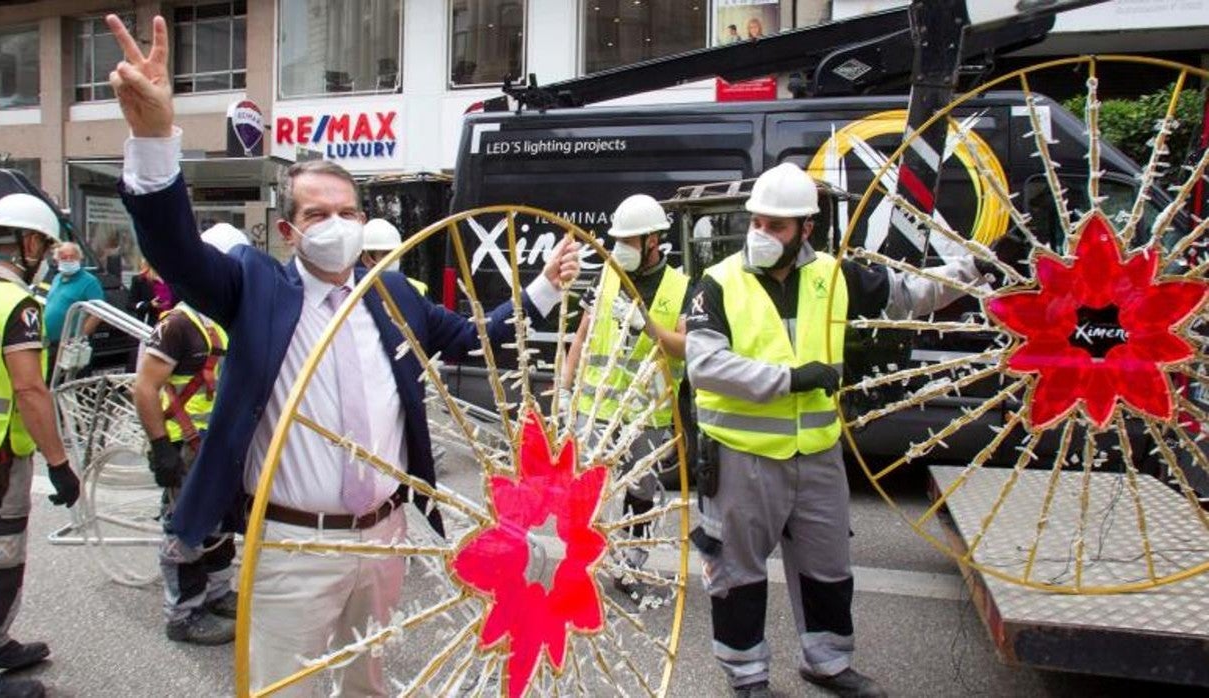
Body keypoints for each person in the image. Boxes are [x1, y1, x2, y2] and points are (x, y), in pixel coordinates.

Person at [105, 14, 580, 695]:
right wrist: (154, 139)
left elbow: (473, 335)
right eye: (317, 214)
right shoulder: (255, 287)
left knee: (368, 682)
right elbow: (177, 252)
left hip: (384, 539)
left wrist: (539, 288)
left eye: (347, 212)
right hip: (292, 546)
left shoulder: (391, 292)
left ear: (365, 221)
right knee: (284, 685)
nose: (335, 225)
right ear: (289, 230)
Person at [685, 162, 987, 698]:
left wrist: (970, 270)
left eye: (775, 226)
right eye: (756, 222)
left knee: (827, 568)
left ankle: (826, 662)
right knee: (738, 576)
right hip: (741, 457)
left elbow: (910, 295)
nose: (761, 234)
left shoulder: (833, 274)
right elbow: (705, 365)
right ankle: (746, 674)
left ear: (807, 227)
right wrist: (790, 379)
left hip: (818, 455)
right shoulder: (719, 282)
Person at [0, 194, 82, 698]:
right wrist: (59, 463)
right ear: (30, 243)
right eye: (47, 247)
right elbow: (30, 391)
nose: (50, 258)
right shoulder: (19, 306)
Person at [563, 194, 690, 603]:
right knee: (585, 491)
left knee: (641, 493)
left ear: (653, 240)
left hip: (646, 416)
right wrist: (564, 392)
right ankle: (578, 565)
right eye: (617, 239)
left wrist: (645, 324)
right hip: (594, 408)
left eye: (629, 240)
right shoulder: (606, 279)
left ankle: (629, 563)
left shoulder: (680, 287)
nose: (619, 248)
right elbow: (581, 337)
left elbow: (685, 347)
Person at [132, 223, 248, 647]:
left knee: (218, 523)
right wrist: (161, 446)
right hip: (188, 447)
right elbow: (144, 387)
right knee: (184, 529)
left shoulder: (228, 321)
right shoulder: (179, 324)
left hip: (220, 444)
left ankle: (217, 594)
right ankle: (183, 614)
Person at [44, 242, 104, 376]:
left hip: (70, 346)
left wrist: (79, 337)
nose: (68, 260)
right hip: (51, 343)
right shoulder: (57, 278)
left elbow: (98, 313)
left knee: (67, 382)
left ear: (79, 258)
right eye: (64, 257)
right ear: (57, 259)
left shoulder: (89, 281)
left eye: (72, 257)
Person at [360, 218, 428, 296]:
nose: (393, 259)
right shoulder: (355, 294)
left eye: (396, 254)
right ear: (367, 260)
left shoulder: (416, 288)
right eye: (386, 254)